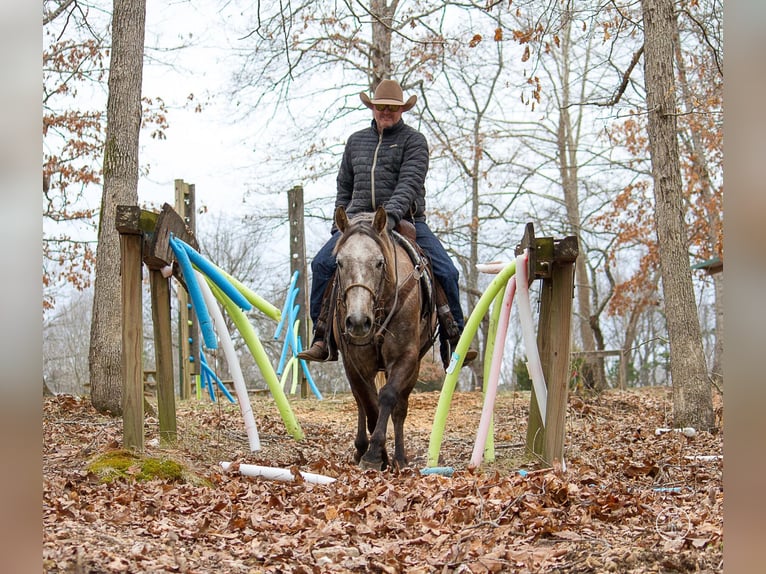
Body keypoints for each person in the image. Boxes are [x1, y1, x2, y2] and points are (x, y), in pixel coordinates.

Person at [298, 79, 475, 367]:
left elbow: (409, 184)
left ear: (402, 110)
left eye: (392, 108)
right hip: (356, 222)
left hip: (405, 219)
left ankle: (452, 339)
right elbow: (344, 185)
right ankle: (322, 338)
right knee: (321, 264)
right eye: (381, 107)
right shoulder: (356, 141)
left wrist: (389, 217)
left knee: (446, 270)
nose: (386, 112)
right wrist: (339, 225)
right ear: (372, 107)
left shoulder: (414, 142)